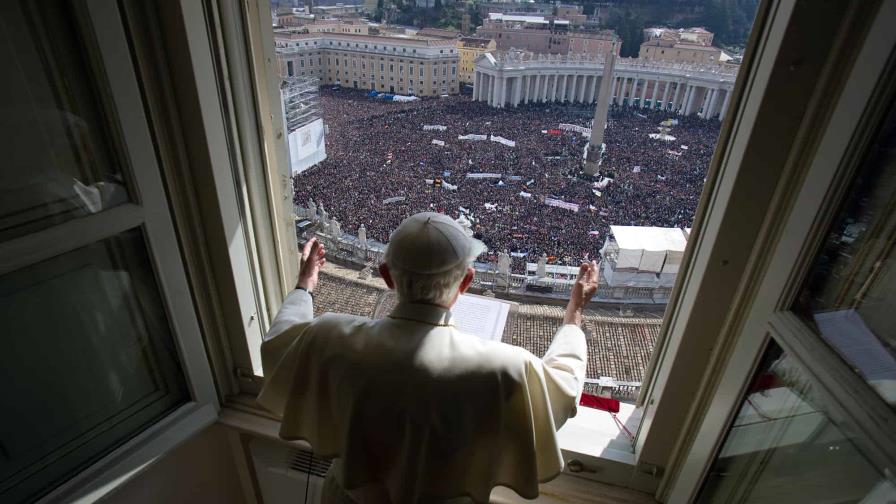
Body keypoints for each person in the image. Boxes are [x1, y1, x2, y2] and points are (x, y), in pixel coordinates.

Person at [257, 212, 599, 504]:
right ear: (466, 282)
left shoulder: (329, 336)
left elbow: (278, 346)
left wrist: (305, 286)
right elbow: (563, 388)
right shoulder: (505, 368)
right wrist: (573, 315)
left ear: (387, 276)